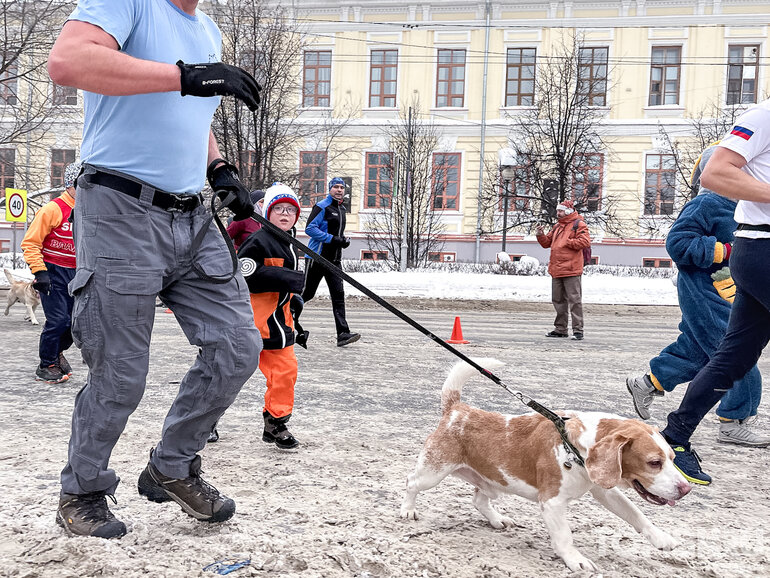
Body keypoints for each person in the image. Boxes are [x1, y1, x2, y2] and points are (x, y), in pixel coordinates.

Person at [47, 0, 262, 538]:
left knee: (239, 346)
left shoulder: (206, 28)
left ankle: (172, 466)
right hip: (119, 208)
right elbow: (67, 62)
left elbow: (187, 113)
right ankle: (82, 491)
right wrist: (187, 76)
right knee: (121, 373)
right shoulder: (127, 3)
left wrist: (219, 168)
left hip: (192, 214)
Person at [625, 144, 767, 457]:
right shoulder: (705, 204)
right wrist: (724, 252)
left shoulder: (741, 206)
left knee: (697, 353)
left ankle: (647, 383)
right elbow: (678, 243)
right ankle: (733, 421)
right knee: (736, 358)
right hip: (703, 292)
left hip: (728, 291)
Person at [659, 100, 770, 486]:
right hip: (762, 248)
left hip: (756, 253)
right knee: (723, 354)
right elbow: (716, 173)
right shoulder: (763, 117)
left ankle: (674, 439)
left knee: (733, 358)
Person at [236, 183, 305, 449]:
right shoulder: (258, 241)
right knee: (229, 375)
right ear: (267, 213)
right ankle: (207, 422)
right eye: (278, 209)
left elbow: (283, 285)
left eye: (291, 210)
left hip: (280, 325)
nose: (285, 214)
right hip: (252, 324)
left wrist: (293, 298)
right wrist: (289, 280)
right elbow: (244, 275)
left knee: (285, 374)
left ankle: (275, 423)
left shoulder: (289, 242)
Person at [21, 161, 81, 384]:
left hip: (78, 274)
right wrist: (40, 272)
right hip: (53, 273)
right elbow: (30, 243)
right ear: (71, 184)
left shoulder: (87, 211)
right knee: (58, 321)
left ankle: (57, 352)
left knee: (77, 323)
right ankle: (46, 363)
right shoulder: (53, 209)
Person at [302, 176, 360, 347]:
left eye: (342, 187)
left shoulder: (341, 209)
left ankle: (343, 334)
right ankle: (284, 320)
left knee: (338, 296)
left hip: (334, 260)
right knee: (306, 294)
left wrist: (343, 240)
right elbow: (310, 229)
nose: (339, 190)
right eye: (336, 187)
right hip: (317, 258)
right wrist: (333, 239)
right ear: (329, 189)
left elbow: (336, 234)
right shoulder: (322, 207)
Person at [535, 199, 591, 340]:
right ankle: (560, 329)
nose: (557, 213)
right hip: (556, 269)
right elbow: (547, 243)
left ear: (568, 211)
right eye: (557, 210)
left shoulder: (579, 224)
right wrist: (540, 234)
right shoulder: (557, 226)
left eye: (560, 211)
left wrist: (568, 242)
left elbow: (585, 241)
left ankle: (578, 330)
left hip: (571, 269)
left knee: (574, 301)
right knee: (558, 300)